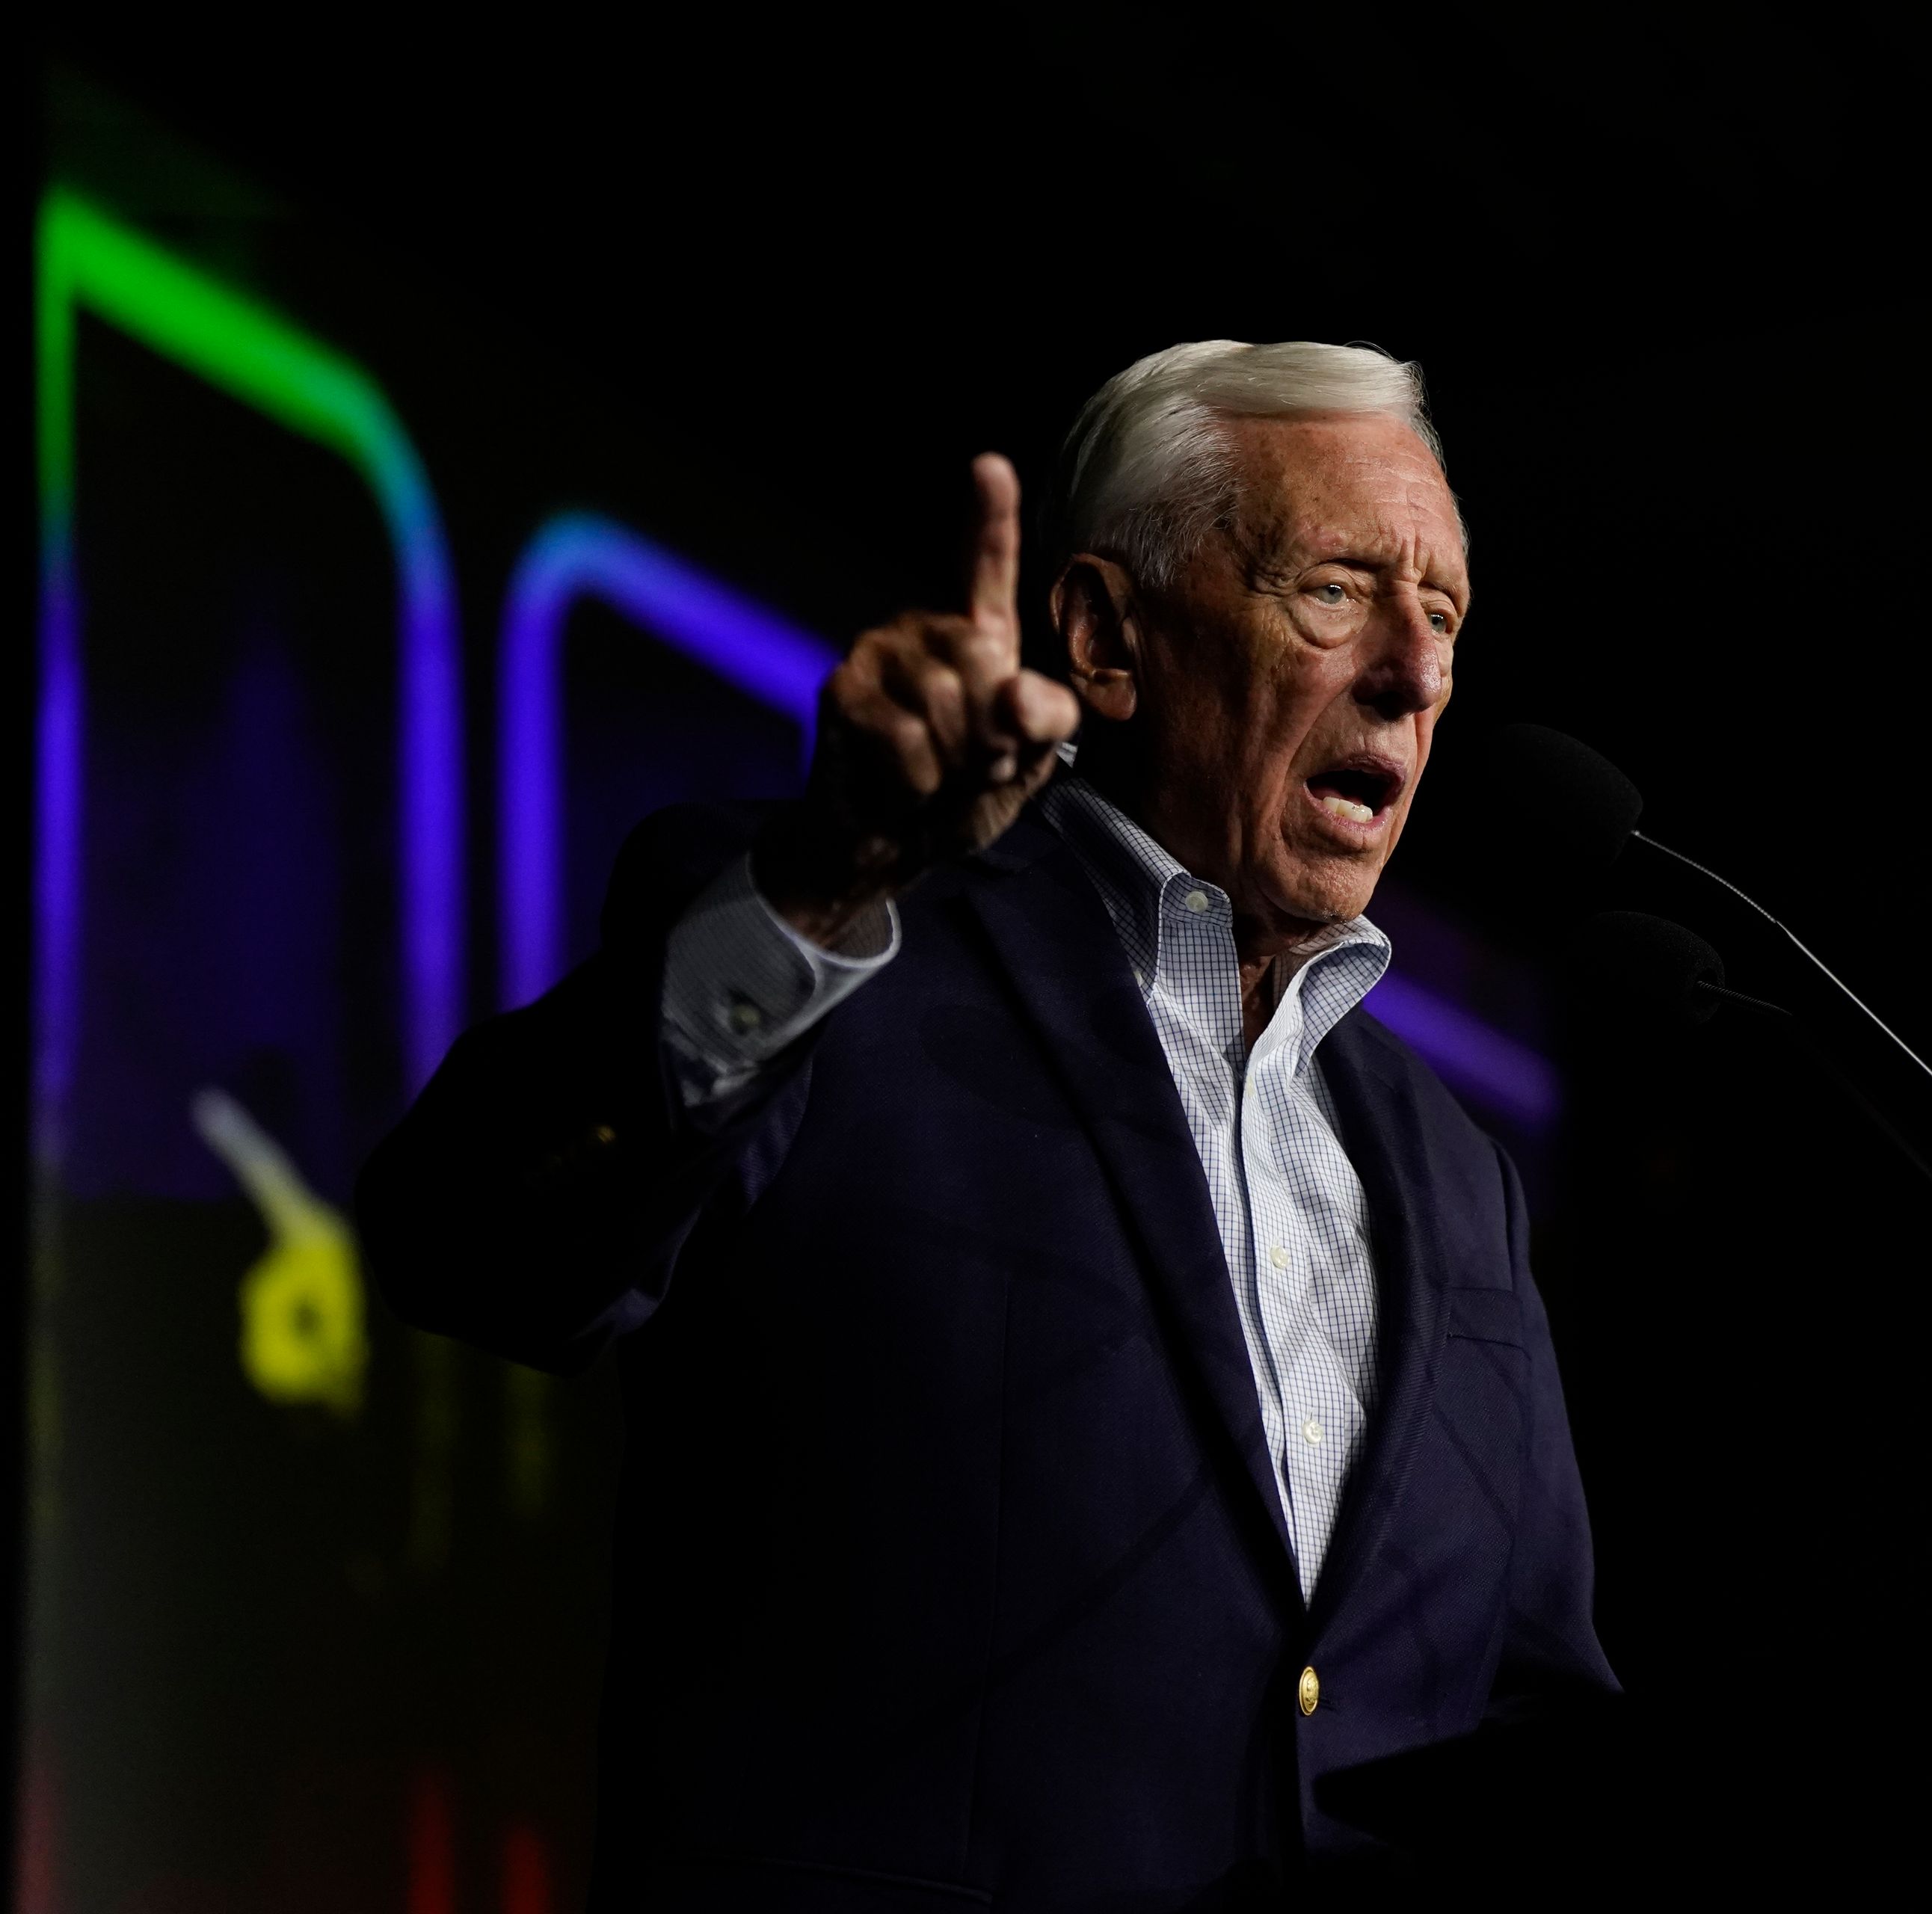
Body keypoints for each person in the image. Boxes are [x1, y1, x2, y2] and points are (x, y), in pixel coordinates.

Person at [359, 341, 1613, 1910]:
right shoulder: (840, 935)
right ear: (1104, 634)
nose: (1416, 674)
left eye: (1442, 615)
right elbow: (470, 1243)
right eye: (1338, 588)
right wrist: (830, 880)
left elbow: (1539, 1714)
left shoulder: (1459, 1179)